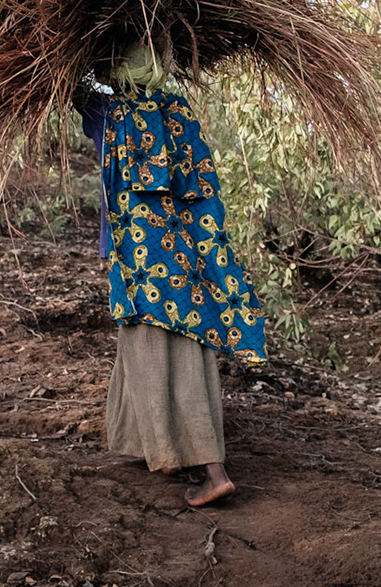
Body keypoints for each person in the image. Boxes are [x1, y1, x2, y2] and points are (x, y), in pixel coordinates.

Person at [76, 35, 266, 507]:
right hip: (185, 255)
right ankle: (147, 446)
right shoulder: (178, 112)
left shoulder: (108, 113)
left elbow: (67, 87)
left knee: (156, 351)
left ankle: (212, 471)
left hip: (139, 261)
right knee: (174, 343)